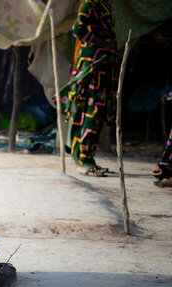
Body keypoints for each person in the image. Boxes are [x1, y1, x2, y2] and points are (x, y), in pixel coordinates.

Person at [59, 0, 116, 176]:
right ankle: (84, 161)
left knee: (95, 114)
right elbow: (78, 30)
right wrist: (105, 45)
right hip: (92, 68)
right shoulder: (90, 3)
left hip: (101, 67)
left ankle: (87, 158)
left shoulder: (103, 4)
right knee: (91, 113)